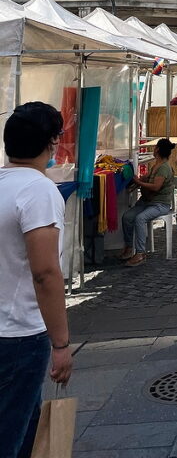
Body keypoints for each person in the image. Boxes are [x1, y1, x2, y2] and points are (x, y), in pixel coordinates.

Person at [0, 102, 72, 457]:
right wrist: (61, 344)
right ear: (51, 143)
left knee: (23, 429)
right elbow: (45, 273)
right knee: (12, 436)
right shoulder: (38, 190)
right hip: (20, 334)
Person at [120, 137, 175, 266]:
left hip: (160, 204)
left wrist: (138, 182)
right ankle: (129, 247)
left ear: (158, 150)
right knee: (127, 217)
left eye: (155, 147)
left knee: (140, 218)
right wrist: (136, 184)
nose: (154, 149)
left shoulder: (164, 168)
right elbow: (146, 178)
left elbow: (156, 187)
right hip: (147, 202)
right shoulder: (155, 165)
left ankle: (140, 253)